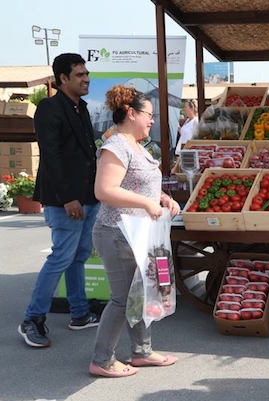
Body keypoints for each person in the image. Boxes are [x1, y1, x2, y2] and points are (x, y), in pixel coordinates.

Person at [89, 84, 179, 378]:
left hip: (138, 233)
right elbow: (104, 190)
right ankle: (102, 360)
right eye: (149, 115)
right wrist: (145, 202)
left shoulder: (137, 146)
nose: (152, 121)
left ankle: (141, 351)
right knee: (121, 298)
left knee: (140, 292)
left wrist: (163, 199)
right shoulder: (115, 146)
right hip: (117, 232)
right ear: (130, 113)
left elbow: (141, 184)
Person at [19, 53, 100, 348]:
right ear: (63, 79)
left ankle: (79, 313)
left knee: (78, 256)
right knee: (61, 257)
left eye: (86, 73)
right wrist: (69, 198)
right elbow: (51, 157)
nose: (86, 78)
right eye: (79, 75)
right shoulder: (49, 108)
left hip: (89, 197)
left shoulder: (82, 109)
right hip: (64, 200)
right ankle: (32, 318)